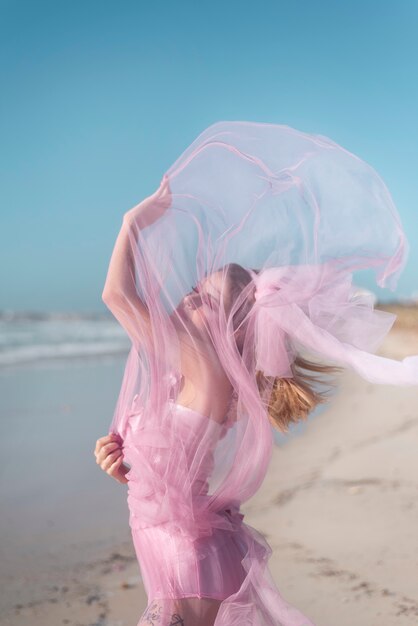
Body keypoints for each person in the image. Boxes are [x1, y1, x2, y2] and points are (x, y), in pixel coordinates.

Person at [94, 121, 418, 626]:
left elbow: (116, 297)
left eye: (206, 300)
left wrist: (132, 223)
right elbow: (165, 477)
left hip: (188, 564)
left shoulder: (204, 367)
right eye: (198, 287)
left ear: (228, 332)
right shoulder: (195, 383)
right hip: (191, 557)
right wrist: (124, 467)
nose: (189, 297)